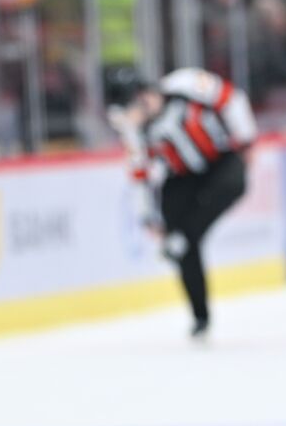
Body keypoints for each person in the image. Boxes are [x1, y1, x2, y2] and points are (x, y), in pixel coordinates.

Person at [107, 67, 255, 337]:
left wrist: (245, 141)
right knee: (179, 236)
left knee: (232, 186)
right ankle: (200, 316)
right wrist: (148, 217)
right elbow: (139, 175)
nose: (138, 113)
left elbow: (232, 99)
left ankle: (183, 238)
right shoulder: (135, 131)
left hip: (219, 161)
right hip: (181, 176)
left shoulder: (185, 85)